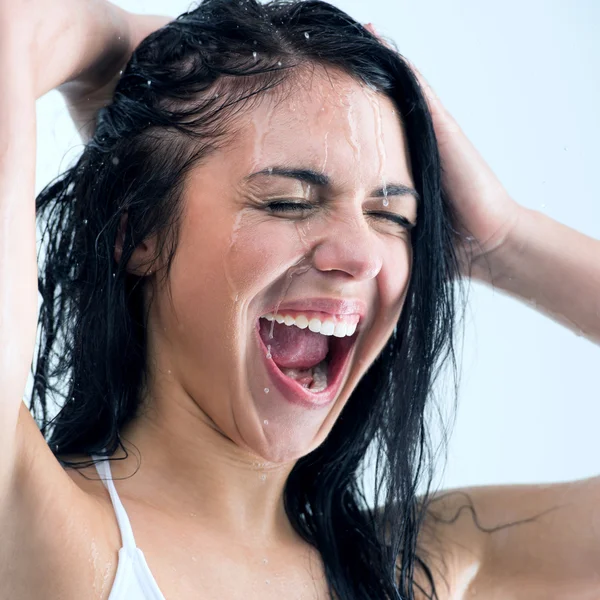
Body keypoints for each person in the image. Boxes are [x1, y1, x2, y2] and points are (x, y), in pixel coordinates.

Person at [1, 0, 599, 598]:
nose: (362, 256)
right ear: (137, 231)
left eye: (391, 215)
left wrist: (501, 239)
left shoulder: (415, 573)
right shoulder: (31, 520)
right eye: (288, 202)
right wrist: (114, 43)